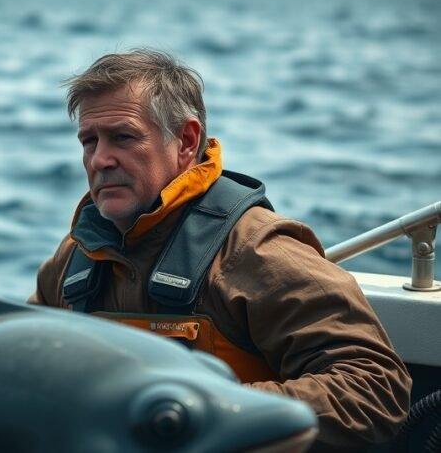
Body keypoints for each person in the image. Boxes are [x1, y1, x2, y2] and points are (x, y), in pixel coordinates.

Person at [28, 49, 411, 450]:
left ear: (186, 142)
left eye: (122, 137)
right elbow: (25, 369)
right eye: (89, 141)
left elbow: (375, 386)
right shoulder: (74, 260)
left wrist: (207, 415)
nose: (100, 159)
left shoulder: (256, 250)